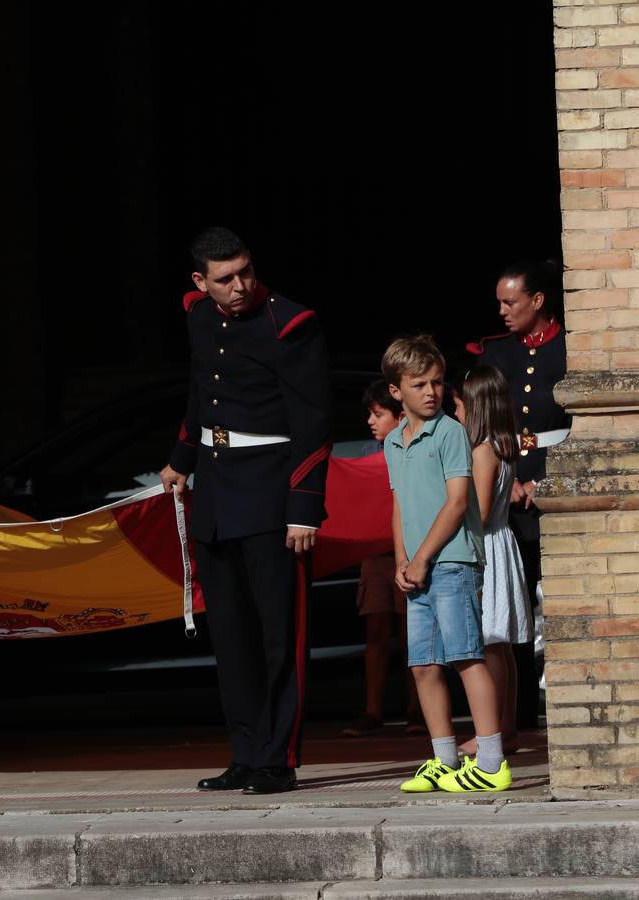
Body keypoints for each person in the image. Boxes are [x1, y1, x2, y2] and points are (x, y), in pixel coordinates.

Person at [159, 227, 332, 795]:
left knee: (278, 633)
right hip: (215, 490)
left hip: (271, 493)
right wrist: (182, 457)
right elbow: (199, 390)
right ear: (200, 283)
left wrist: (304, 506)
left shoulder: (290, 325)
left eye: (246, 272)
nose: (240, 286)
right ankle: (247, 751)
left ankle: (277, 758)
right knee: (231, 635)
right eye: (225, 278)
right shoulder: (199, 316)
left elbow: (313, 422)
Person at [382, 336, 510, 794]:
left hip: (451, 562)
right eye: (419, 384)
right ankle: (444, 758)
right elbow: (399, 506)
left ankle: (492, 762)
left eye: (437, 382)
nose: (432, 392)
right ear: (396, 391)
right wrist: (401, 559)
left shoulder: (452, 432)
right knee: (423, 665)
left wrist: (421, 558)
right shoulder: (394, 441)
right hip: (416, 567)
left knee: (465, 657)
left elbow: (458, 503)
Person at [467, 258, 566, 730]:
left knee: (561, 602)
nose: (503, 311)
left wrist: (546, 481)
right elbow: (487, 424)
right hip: (509, 490)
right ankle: (518, 715)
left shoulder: (569, 348)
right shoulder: (498, 354)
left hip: (557, 486)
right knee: (512, 612)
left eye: (511, 302)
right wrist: (512, 480)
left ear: (538, 300)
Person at [455, 365, 532, 755]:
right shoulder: (501, 445)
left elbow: (480, 513)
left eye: (462, 403)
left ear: (477, 405)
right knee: (500, 646)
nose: (457, 412)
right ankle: (508, 728)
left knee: (490, 642)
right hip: (501, 544)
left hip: (487, 547)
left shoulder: (484, 450)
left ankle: (497, 733)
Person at [343, 380, 422, 738]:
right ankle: (373, 710)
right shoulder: (365, 454)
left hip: (410, 550)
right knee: (376, 629)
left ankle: (416, 709)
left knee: (413, 632)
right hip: (375, 555)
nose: (371, 422)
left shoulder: (414, 447)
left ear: (399, 415)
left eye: (378, 415)